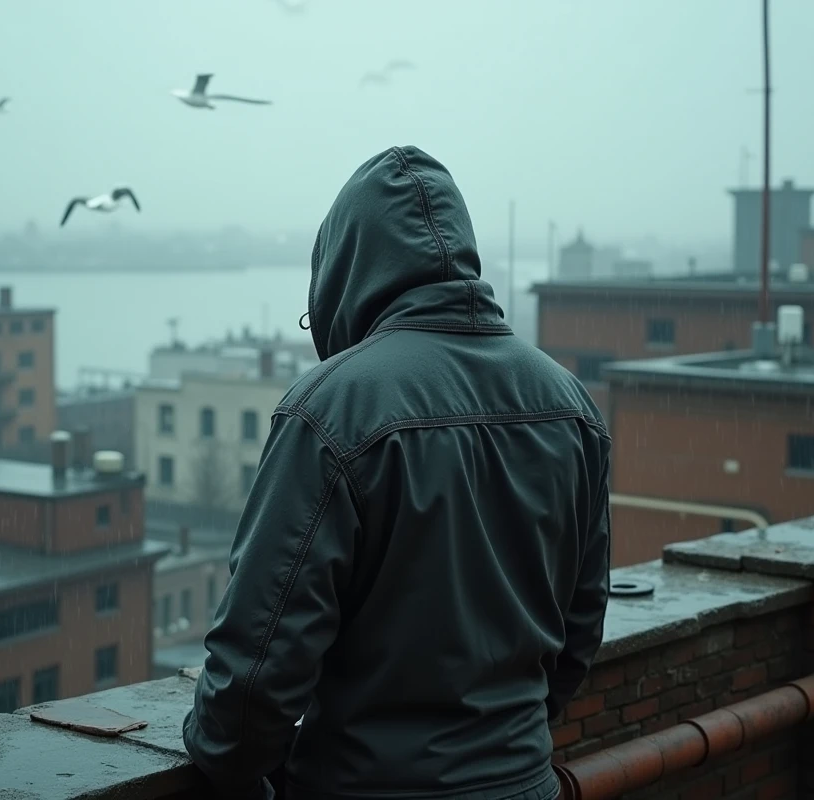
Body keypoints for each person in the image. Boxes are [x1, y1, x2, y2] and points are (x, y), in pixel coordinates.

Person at [183, 145, 611, 800]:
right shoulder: (571, 406)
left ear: (345, 274)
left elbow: (255, 674)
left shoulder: (331, 412)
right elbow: (578, 633)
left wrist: (231, 762)